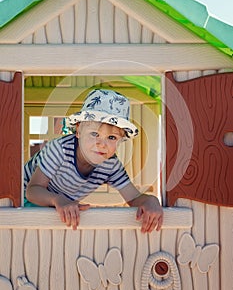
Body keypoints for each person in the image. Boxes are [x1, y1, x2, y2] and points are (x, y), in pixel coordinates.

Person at [24, 89, 163, 233]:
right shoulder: (60, 149)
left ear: (120, 140)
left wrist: (150, 201)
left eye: (111, 138)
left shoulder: (110, 165)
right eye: (94, 134)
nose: (101, 144)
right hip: (20, 200)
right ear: (78, 131)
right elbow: (32, 191)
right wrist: (58, 200)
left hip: (56, 208)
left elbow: (134, 198)